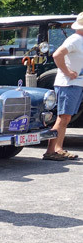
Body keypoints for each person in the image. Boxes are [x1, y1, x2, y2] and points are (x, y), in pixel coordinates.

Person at [42, 11, 83, 161]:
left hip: (75, 84)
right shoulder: (75, 40)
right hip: (68, 84)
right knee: (63, 118)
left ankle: (57, 149)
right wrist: (67, 72)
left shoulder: (79, 40)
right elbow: (57, 55)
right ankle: (51, 151)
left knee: (65, 118)